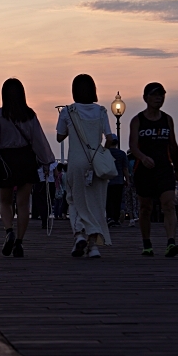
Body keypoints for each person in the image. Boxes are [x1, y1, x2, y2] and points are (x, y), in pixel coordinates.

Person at [0, 78, 56, 257]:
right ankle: (19, 242)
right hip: (26, 158)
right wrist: (47, 162)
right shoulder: (30, 115)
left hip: (7, 159)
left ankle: (9, 231)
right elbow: (39, 141)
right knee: (23, 204)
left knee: (5, 201)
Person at [56, 74, 113, 258]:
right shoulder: (101, 111)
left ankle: (79, 233)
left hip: (76, 162)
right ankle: (93, 246)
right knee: (95, 203)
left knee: (74, 200)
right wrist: (102, 151)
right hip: (96, 163)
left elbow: (59, 136)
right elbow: (110, 138)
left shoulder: (68, 111)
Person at [129, 82, 178, 257]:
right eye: (155, 95)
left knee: (169, 204)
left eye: (161, 95)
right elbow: (133, 146)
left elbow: (173, 145)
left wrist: (177, 169)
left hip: (164, 168)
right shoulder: (138, 120)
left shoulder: (167, 119)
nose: (159, 98)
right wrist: (143, 157)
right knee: (146, 208)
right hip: (144, 170)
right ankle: (147, 243)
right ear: (146, 98)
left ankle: (171, 242)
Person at [105, 135, 127, 227]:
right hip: (119, 180)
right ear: (117, 142)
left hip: (107, 180)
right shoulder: (122, 154)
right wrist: (128, 180)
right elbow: (125, 168)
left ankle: (109, 217)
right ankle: (116, 218)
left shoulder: (105, 153)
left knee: (108, 200)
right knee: (117, 200)